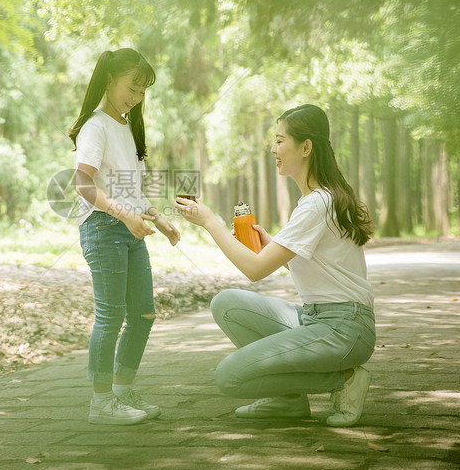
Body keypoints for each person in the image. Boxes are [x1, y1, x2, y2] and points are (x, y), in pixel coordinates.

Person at [175, 104, 375, 427]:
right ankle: (289, 400)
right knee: (225, 304)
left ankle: (344, 379)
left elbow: (254, 270)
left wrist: (209, 221)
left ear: (306, 147)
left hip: (344, 328)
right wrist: (273, 247)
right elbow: (321, 265)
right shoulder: (319, 199)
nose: (273, 149)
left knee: (229, 377)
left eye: (280, 140)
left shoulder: (317, 204)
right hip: (317, 318)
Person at [70, 48, 181, 425]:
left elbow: (127, 188)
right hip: (103, 229)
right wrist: (124, 216)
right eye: (131, 86)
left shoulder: (128, 127)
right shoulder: (96, 126)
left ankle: (120, 392)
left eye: (142, 91)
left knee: (144, 314)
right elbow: (83, 184)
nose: (135, 97)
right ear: (109, 80)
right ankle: (101, 404)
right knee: (111, 317)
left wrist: (158, 220)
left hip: (129, 228)